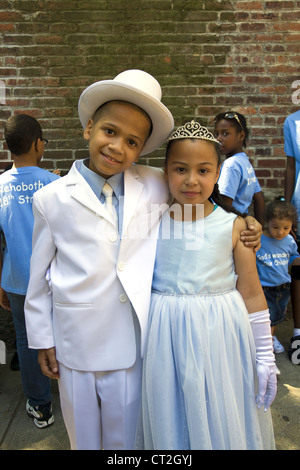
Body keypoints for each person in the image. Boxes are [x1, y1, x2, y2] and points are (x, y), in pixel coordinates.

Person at [24, 71, 262, 451]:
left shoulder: (155, 182)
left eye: (132, 142)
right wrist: (42, 339)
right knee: (82, 435)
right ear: (89, 128)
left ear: (142, 151)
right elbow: (37, 277)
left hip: (134, 340)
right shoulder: (51, 198)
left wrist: (247, 223)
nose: (117, 147)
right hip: (75, 340)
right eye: (110, 132)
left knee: (128, 439)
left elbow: (198, 196)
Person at [137, 120, 276, 450]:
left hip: (220, 336)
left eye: (203, 170)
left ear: (217, 174)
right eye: (180, 169)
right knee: (170, 410)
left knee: (218, 409)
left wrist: (265, 355)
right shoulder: (149, 221)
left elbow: (253, 292)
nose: (191, 180)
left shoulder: (234, 226)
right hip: (164, 336)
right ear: (165, 172)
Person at [0, 114, 60, 428]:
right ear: (39, 144)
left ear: (8, 148)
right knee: (63, 333)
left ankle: (40, 406)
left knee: (27, 340)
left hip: (17, 279)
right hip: (56, 278)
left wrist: (0, 283)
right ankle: (72, 392)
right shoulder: (56, 183)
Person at [256, 198, 300, 374]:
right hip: (262, 287)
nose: (280, 232)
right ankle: (266, 353)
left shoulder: (289, 241)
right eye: (276, 227)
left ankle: (269, 340)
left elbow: (292, 257)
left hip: (282, 287)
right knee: (267, 319)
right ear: (267, 222)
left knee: (276, 318)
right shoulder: (259, 239)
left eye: (286, 228)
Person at [214, 111, 265, 226]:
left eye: (225, 134)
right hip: (242, 224)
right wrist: (260, 229)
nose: (219, 139)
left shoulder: (231, 165)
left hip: (229, 227)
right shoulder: (245, 163)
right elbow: (259, 198)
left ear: (241, 136)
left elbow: (225, 205)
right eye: (216, 134)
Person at [283, 109, 300, 363]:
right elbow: (290, 167)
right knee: (298, 267)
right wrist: (289, 210)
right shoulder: (292, 121)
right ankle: (298, 333)